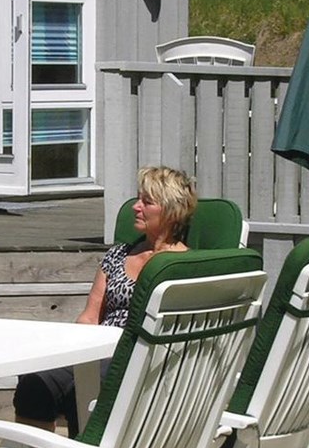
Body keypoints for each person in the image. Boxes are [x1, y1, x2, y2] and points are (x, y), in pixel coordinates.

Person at [14, 165, 195, 434]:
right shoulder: (118, 255)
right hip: (100, 349)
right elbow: (90, 316)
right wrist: (68, 349)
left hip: (143, 359)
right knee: (36, 381)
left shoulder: (186, 266)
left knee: (84, 387)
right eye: (138, 199)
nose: (136, 207)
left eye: (147, 202)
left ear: (171, 210)